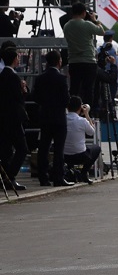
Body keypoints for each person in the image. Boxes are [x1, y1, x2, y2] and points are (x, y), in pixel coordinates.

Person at [33, 50, 71, 186]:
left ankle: (43, 177)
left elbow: (35, 97)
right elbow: (66, 99)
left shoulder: (40, 78)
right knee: (59, 149)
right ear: (59, 61)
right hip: (59, 117)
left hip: (45, 116)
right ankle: (58, 177)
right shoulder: (61, 79)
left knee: (44, 147)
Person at [63, 3, 105, 107]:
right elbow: (101, 31)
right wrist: (94, 19)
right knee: (89, 89)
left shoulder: (66, 26)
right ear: (84, 12)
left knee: (74, 88)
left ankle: (73, 110)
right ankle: (87, 113)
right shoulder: (87, 24)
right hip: (88, 61)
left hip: (74, 61)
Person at [0, 47, 29, 191]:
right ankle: (10, 177)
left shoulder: (2, 75)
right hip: (14, 119)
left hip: (3, 119)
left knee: (5, 151)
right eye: (17, 57)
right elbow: (18, 98)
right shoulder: (13, 77)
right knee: (22, 149)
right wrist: (23, 89)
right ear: (13, 59)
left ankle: (5, 178)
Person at [63, 96, 101, 182]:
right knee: (96, 148)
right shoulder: (82, 121)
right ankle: (84, 173)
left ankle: (69, 170)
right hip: (80, 156)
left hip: (64, 156)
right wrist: (87, 114)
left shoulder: (63, 119)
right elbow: (92, 132)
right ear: (80, 107)